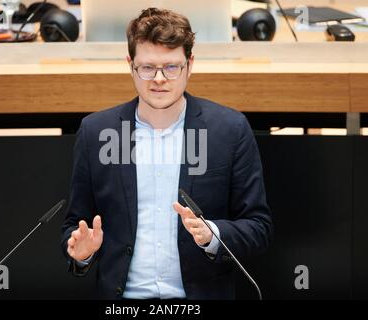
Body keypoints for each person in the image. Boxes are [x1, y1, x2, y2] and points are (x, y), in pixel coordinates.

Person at [61, 7, 273, 300]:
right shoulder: (95, 133)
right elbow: (75, 226)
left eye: (171, 67)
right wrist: (82, 252)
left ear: (190, 64)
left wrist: (213, 235)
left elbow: (258, 227)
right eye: (147, 67)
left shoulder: (230, 130)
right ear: (130, 65)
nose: (159, 79)